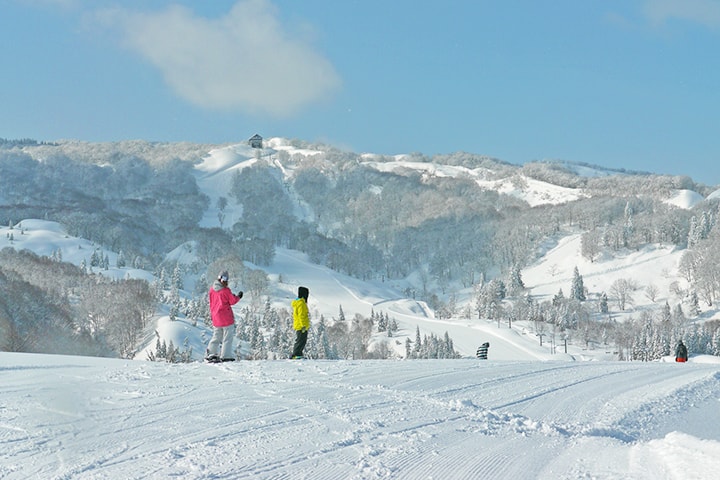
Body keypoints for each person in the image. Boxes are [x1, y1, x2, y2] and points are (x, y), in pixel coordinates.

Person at [206, 270, 243, 363]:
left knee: (216, 336)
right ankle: (225, 356)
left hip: (216, 317)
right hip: (226, 318)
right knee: (227, 337)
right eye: (225, 279)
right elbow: (232, 301)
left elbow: (212, 302)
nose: (225, 281)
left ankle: (211, 353)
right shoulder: (226, 290)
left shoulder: (211, 290)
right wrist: (238, 297)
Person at [291, 286, 310, 359]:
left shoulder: (299, 302)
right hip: (301, 326)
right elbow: (301, 315)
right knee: (301, 340)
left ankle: (298, 354)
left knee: (301, 340)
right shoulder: (301, 303)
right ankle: (296, 354)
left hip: (300, 325)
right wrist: (303, 326)